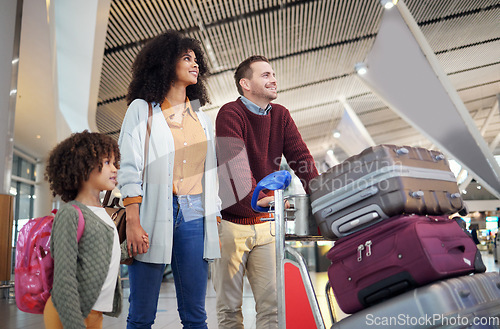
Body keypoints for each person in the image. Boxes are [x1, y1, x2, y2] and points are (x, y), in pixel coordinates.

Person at [117, 30, 221, 329]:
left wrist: (212, 214)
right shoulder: (142, 109)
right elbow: (129, 167)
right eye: (186, 58)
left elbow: (210, 171)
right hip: (151, 213)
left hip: (195, 215)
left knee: (195, 315)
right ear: (165, 63)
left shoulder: (202, 118)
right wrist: (134, 221)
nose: (195, 64)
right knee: (141, 315)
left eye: (196, 59)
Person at [213, 55, 319, 329]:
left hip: (266, 227)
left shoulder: (280, 115)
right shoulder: (230, 114)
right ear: (245, 84)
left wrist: (321, 197)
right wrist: (261, 201)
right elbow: (236, 167)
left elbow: (301, 158)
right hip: (231, 226)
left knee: (272, 308)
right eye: (265, 75)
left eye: (273, 74)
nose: (273, 79)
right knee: (229, 310)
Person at [43, 131, 148, 329]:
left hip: (94, 313)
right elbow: (64, 280)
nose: (115, 169)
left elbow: (105, 255)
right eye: (107, 162)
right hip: (70, 314)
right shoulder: (70, 214)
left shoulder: (102, 212)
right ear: (82, 165)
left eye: (115, 163)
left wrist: (132, 247)